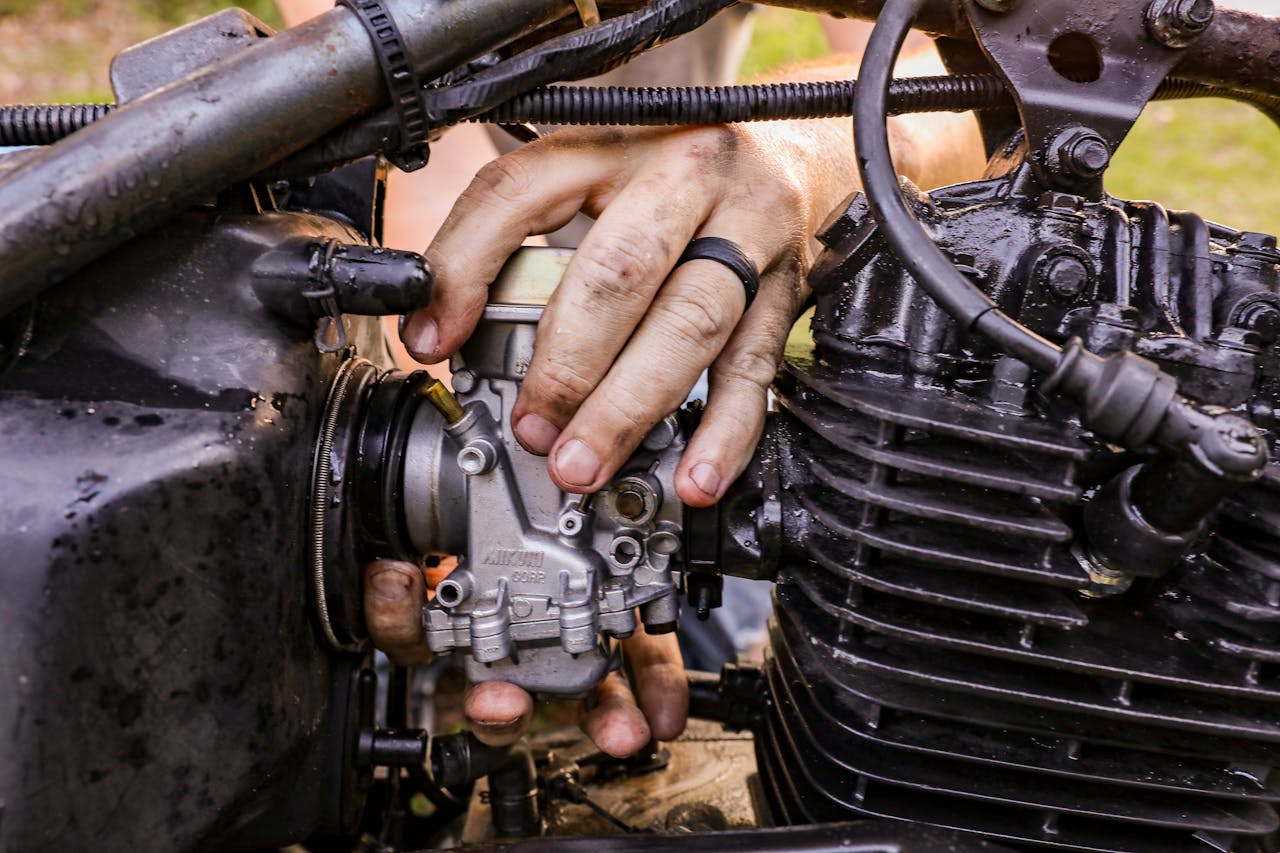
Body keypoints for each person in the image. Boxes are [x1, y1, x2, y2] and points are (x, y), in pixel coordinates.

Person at [279, 0, 984, 758]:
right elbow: (424, 193)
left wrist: (794, 163)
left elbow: (956, 90)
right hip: (481, 354)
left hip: (688, 313)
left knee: (778, 605)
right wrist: (458, 523)